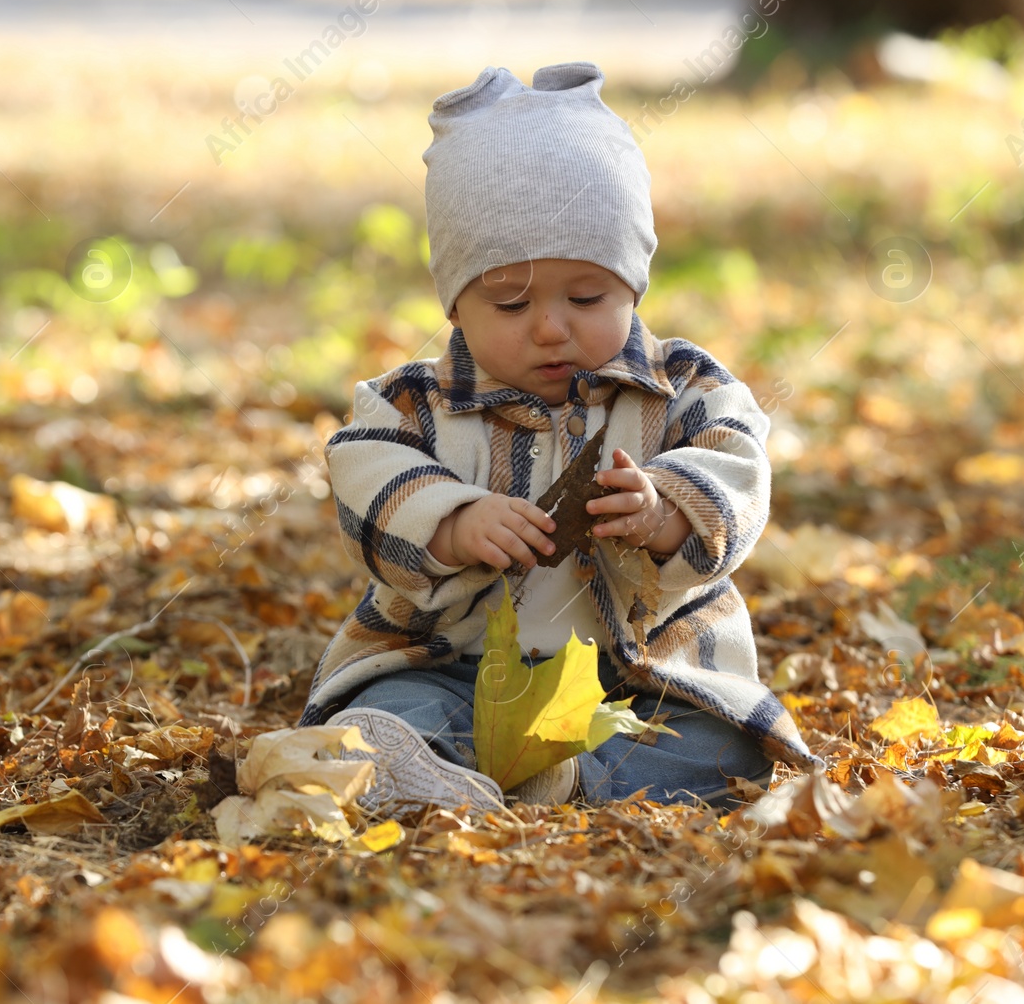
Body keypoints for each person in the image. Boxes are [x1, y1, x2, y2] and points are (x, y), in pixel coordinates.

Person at [296, 61, 822, 814]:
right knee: (393, 709)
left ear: (633, 285)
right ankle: (411, 766)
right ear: (456, 306)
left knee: (728, 746)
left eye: (587, 295)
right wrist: (450, 521)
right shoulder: (417, 402)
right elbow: (362, 469)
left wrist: (666, 512)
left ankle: (563, 781)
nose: (550, 326)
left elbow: (738, 462)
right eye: (510, 301)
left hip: (637, 677)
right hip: (460, 666)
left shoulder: (685, 387)